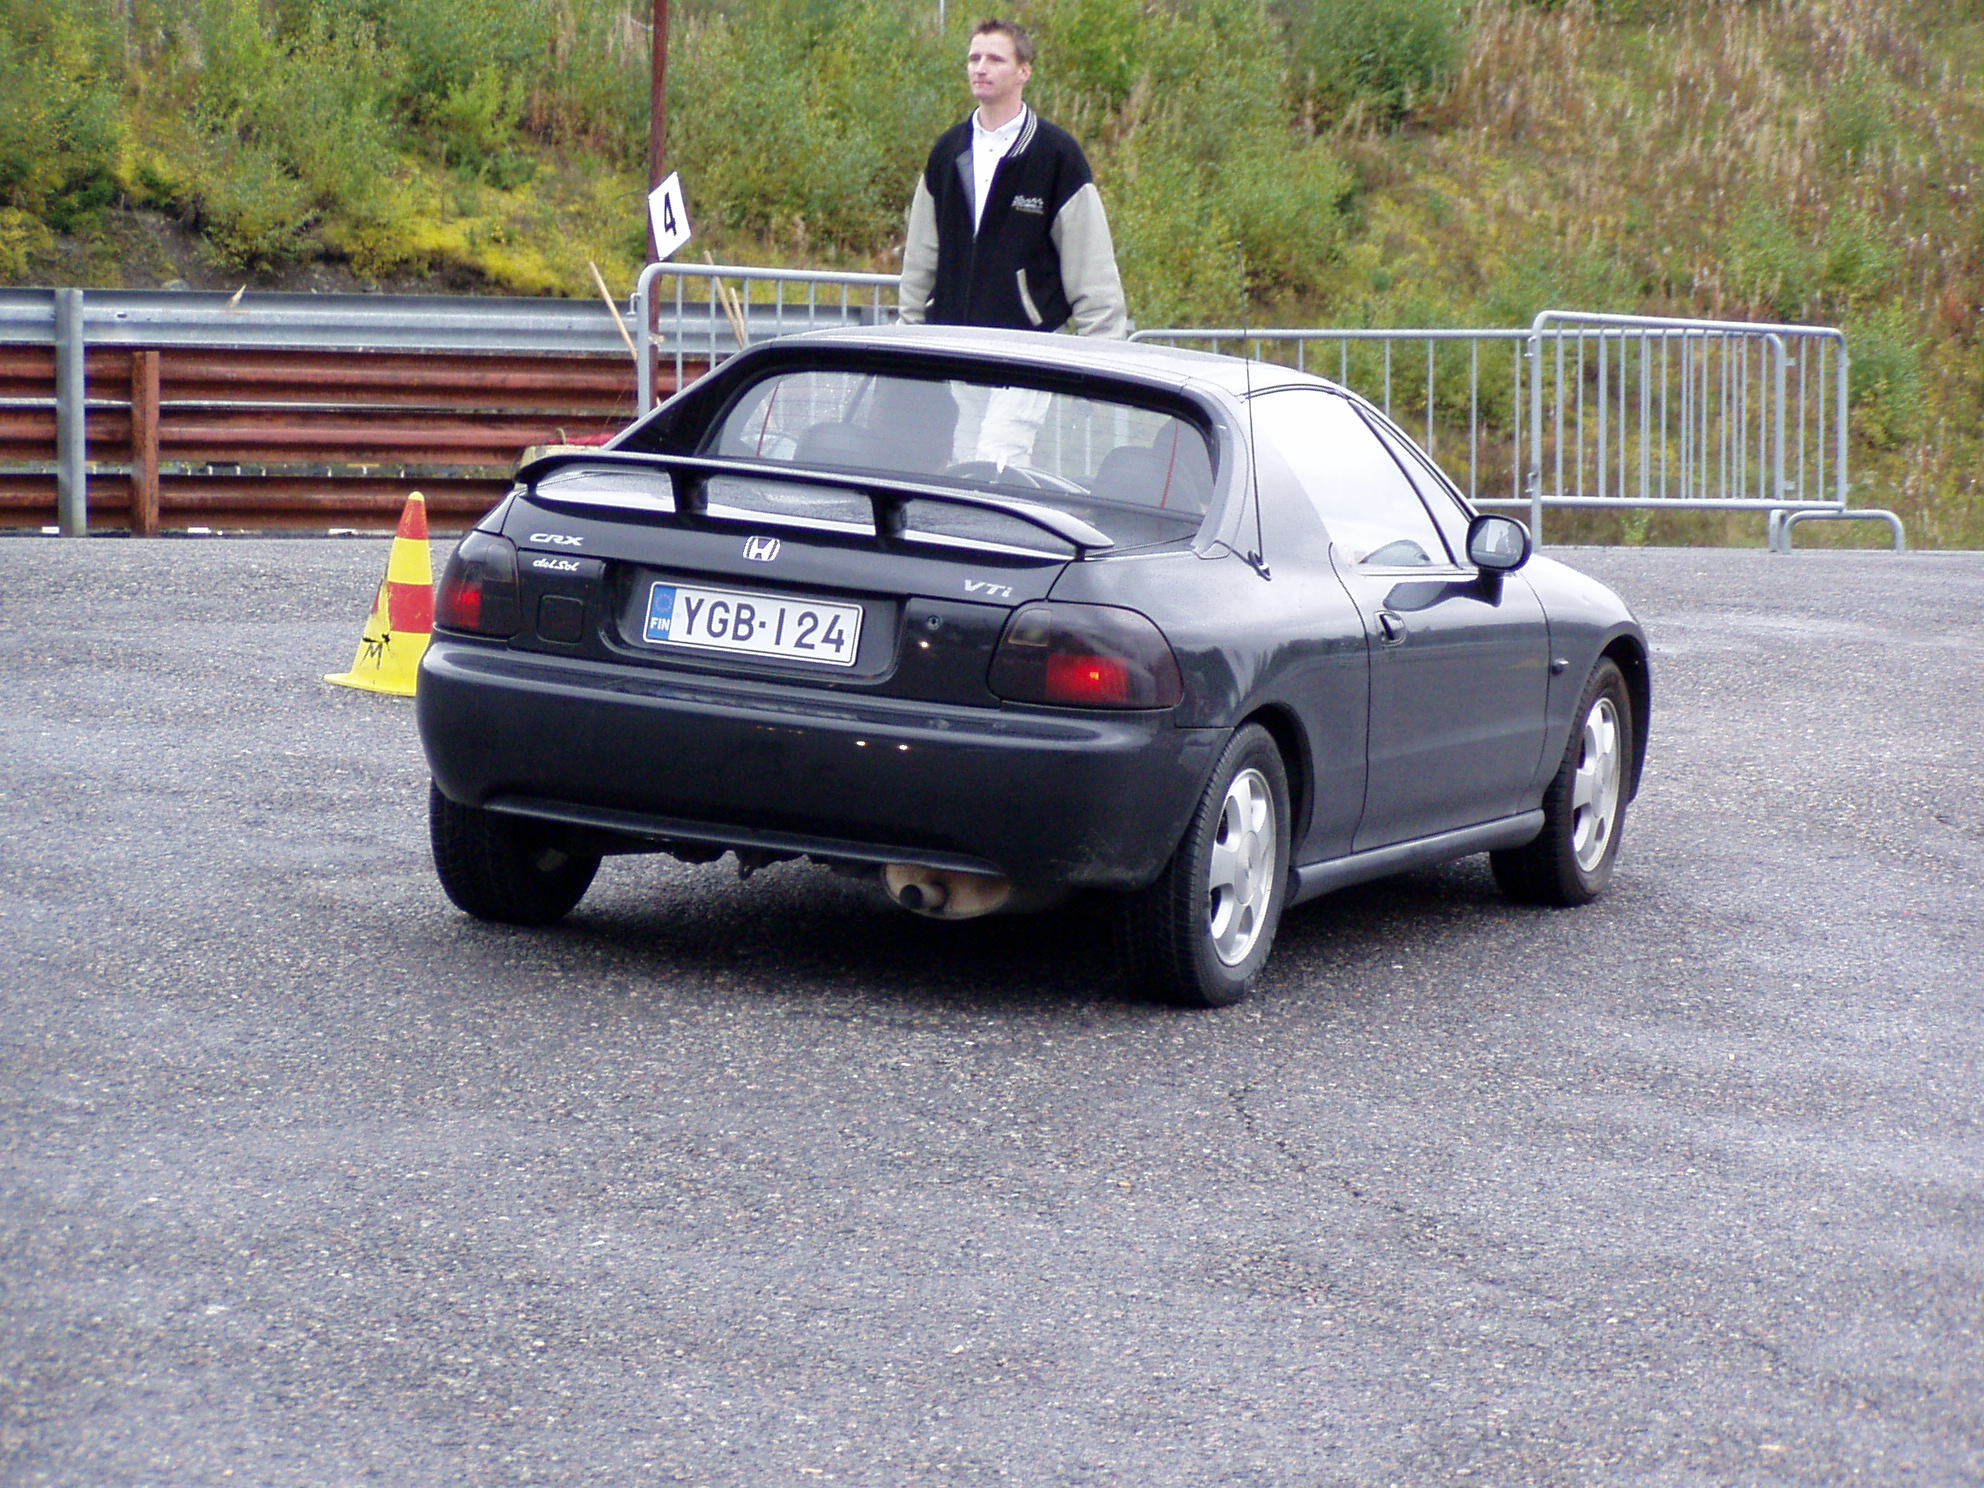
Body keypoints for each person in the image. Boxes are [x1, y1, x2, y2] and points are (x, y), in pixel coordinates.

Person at [899, 18, 1127, 341]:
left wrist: (1102, 364)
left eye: (995, 59)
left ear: (1024, 71)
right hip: (948, 351)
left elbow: (1093, 273)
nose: (980, 68)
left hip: (1028, 357)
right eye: (974, 58)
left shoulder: (1057, 154)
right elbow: (919, 261)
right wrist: (908, 339)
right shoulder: (947, 152)